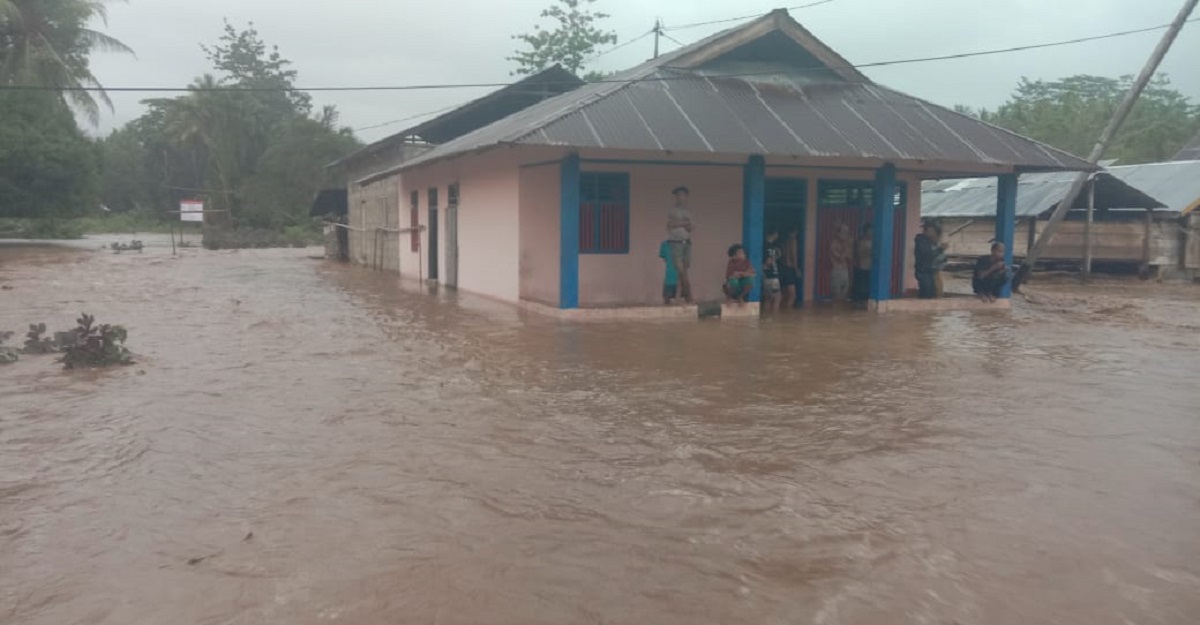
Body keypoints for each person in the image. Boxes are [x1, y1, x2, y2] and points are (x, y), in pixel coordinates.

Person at [666, 186, 693, 303]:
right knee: (680, 269)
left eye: (682, 195)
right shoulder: (672, 210)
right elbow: (670, 225)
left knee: (684, 270)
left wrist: (685, 224)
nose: (679, 197)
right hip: (675, 243)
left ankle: (679, 296)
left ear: (686, 197)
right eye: (677, 195)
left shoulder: (688, 211)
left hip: (686, 243)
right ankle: (689, 295)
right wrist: (683, 223)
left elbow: (691, 227)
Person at [914, 220, 946, 299]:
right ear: (929, 230)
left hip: (930, 271)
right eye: (933, 231)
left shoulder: (928, 241)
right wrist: (940, 249)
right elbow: (927, 255)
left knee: (932, 292)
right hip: (923, 271)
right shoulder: (922, 241)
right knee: (927, 292)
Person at [829, 223, 852, 301]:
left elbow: (850, 258)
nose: (846, 235)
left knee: (844, 294)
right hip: (837, 271)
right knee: (837, 295)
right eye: (844, 232)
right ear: (838, 233)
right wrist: (846, 247)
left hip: (845, 271)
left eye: (847, 232)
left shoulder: (847, 245)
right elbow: (841, 258)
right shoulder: (833, 244)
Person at [779, 227, 800, 308]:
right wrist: (796, 268)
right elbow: (793, 255)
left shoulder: (783, 242)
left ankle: (781, 312)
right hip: (789, 269)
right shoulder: (793, 241)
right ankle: (788, 312)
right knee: (792, 296)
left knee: (784, 294)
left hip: (782, 268)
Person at [852, 224, 872, 302]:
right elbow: (858, 253)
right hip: (862, 266)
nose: (871, 233)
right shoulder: (860, 241)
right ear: (865, 231)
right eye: (869, 231)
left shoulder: (874, 241)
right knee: (861, 288)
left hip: (870, 267)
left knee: (868, 287)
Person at [658, 239, 678, 305]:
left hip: (671, 278)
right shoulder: (665, 245)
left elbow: (663, 258)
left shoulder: (665, 245)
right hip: (675, 278)